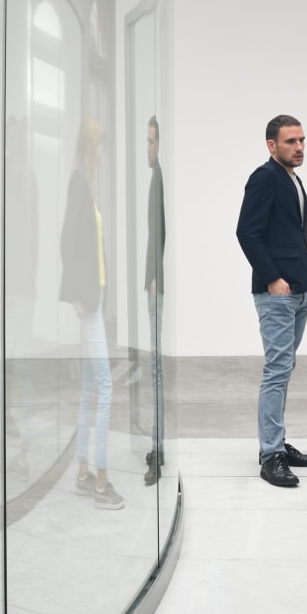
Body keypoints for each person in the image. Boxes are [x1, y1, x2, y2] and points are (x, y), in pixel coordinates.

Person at [235, 115, 307, 488]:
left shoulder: (293, 179)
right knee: (276, 370)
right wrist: (273, 278)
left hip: (300, 290)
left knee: (284, 369)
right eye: (290, 141)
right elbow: (246, 232)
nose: (299, 147)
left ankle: (277, 444)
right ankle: (270, 455)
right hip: (278, 293)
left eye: (302, 140)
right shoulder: (265, 177)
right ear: (272, 145)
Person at [62, 116, 122, 510]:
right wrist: (80, 296)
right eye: (99, 144)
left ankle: (83, 471)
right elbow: (68, 240)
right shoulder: (79, 180)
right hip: (90, 302)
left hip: (94, 298)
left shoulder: (88, 182)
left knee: (89, 389)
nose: (102, 151)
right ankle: (101, 479)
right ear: (90, 145)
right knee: (105, 386)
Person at [143, 116, 166, 487]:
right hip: (155, 280)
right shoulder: (155, 177)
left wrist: (153, 277)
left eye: (151, 142)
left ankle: (158, 446)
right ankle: (156, 443)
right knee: (155, 367)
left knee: (157, 368)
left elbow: (159, 233)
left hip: (157, 284)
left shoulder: (160, 177)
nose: (147, 149)